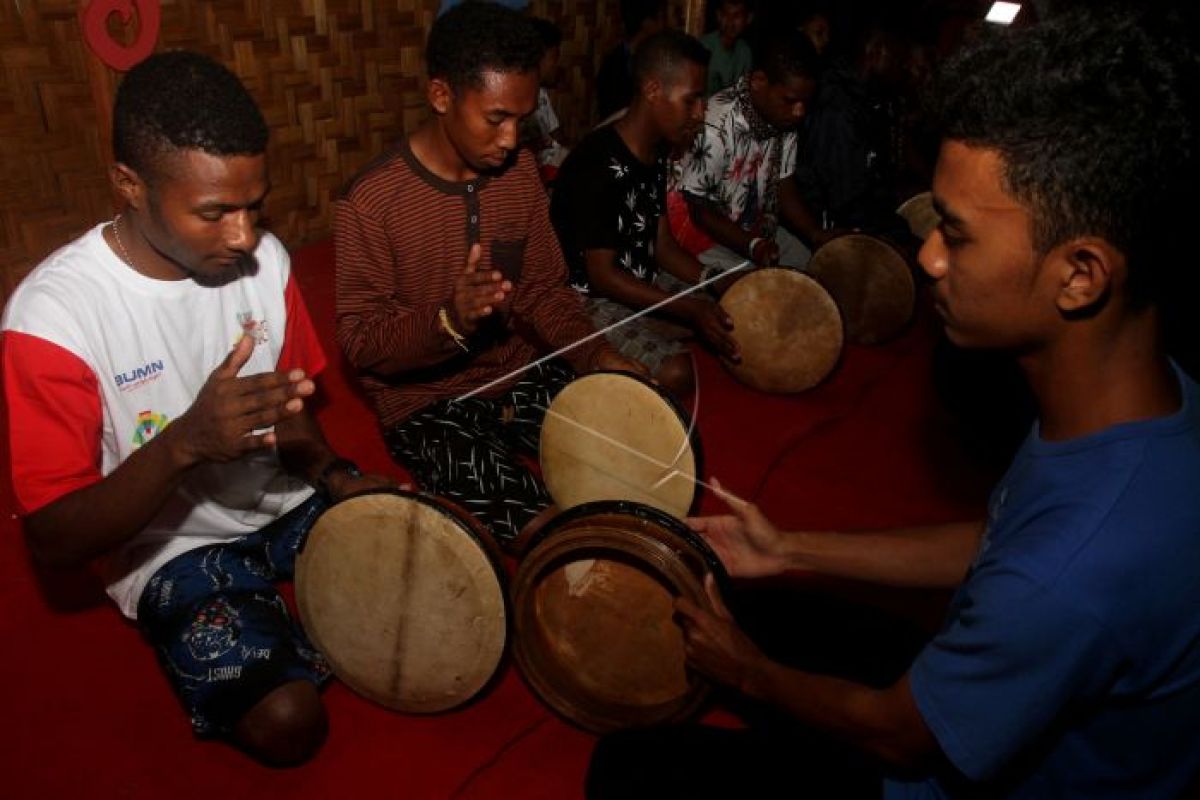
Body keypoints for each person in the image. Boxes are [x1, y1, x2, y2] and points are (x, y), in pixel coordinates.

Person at [588, 7, 1200, 798]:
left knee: (630, 769)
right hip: (986, 662)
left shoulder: (1071, 573)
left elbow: (898, 735)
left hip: (920, 768)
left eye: (958, 233)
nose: (930, 257)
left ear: (1081, 273)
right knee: (743, 598)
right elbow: (1002, 535)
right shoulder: (1147, 409)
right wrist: (791, 549)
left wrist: (751, 672)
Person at [1, 51, 392, 766]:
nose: (244, 237)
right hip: (168, 546)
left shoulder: (264, 259)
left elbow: (292, 405)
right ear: (130, 185)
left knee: (421, 569)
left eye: (253, 206)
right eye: (214, 212)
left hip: (280, 498)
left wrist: (336, 477)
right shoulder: (52, 318)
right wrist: (185, 444)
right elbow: (54, 542)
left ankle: (294, 614)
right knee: (288, 721)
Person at [334, 3, 640, 549]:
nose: (510, 139)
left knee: (620, 465)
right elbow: (361, 343)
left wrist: (597, 356)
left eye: (522, 119)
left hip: (516, 369)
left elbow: (545, 288)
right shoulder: (372, 203)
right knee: (546, 531)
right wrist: (448, 320)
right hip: (425, 404)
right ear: (441, 96)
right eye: (496, 118)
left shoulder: (518, 171)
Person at [551, 31, 737, 399]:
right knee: (677, 374)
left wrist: (712, 281)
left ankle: (654, 324)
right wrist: (689, 308)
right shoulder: (598, 163)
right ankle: (578, 353)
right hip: (587, 298)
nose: (700, 112)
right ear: (653, 90)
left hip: (637, 282)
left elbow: (662, 246)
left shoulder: (654, 151)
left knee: (734, 313)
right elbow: (601, 276)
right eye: (691, 100)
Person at [672, 29, 829, 273]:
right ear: (758, 82)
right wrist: (753, 245)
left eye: (805, 103)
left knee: (810, 268)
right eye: (789, 100)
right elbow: (699, 210)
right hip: (702, 231)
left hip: (750, 226)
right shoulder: (716, 124)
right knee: (760, 286)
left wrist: (816, 233)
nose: (799, 112)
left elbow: (783, 184)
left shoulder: (783, 122)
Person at [792, 24, 913, 235]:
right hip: (831, 227)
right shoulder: (838, 106)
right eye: (897, 61)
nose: (902, 69)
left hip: (853, 214)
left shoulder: (867, 97)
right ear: (875, 52)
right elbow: (843, 199)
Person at [595, 0, 667, 121]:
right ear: (647, 23)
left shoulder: (659, 61)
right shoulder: (613, 66)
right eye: (660, 18)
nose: (663, 25)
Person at [526, 17, 570, 179]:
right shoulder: (519, 100)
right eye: (555, 57)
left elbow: (557, 134)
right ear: (538, 58)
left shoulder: (541, 93)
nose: (557, 64)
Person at [699, 0, 752, 97]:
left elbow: (743, 91)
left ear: (748, 19)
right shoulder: (704, 46)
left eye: (736, 16)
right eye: (725, 15)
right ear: (719, 16)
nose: (730, 22)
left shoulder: (745, 52)